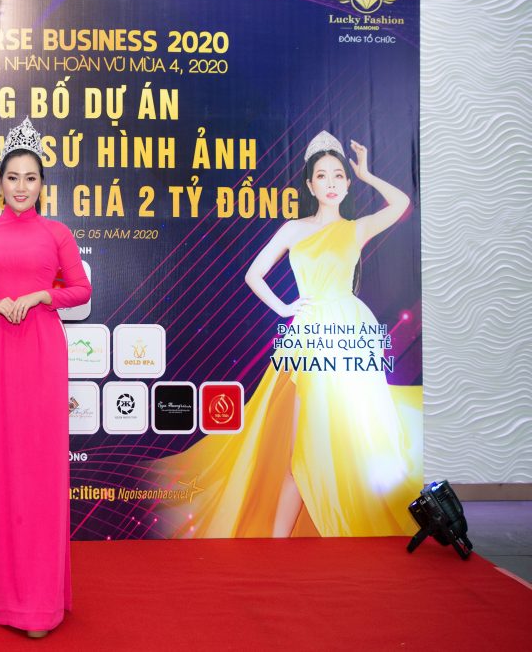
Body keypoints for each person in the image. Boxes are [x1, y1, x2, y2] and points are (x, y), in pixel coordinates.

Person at [152, 131, 422, 538]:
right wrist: (283, 307)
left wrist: (367, 174)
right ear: (310, 185)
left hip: (350, 336)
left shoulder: (356, 228)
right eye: (322, 176)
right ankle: (278, 545)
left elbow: (401, 205)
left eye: (339, 175)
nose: (331, 183)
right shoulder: (294, 229)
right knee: (303, 449)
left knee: (352, 441)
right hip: (310, 337)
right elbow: (253, 274)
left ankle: (340, 534)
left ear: (347, 184)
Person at [0, 117, 91, 637]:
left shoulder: (57, 233)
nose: (21, 186)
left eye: (30, 178)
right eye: (13, 177)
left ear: (42, 184)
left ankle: (40, 602)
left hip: (42, 353)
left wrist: (39, 295)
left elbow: (80, 290)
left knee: (41, 470)